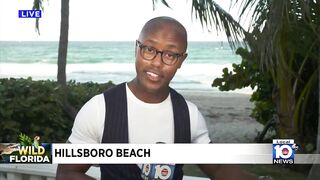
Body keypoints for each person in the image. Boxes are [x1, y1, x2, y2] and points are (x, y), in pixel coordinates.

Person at [56, 16, 266, 180]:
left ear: (181, 60)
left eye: (170, 54)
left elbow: (218, 169)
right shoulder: (100, 109)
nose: (157, 62)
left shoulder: (188, 115)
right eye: (149, 49)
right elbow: (67, 172)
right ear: (136, 49)